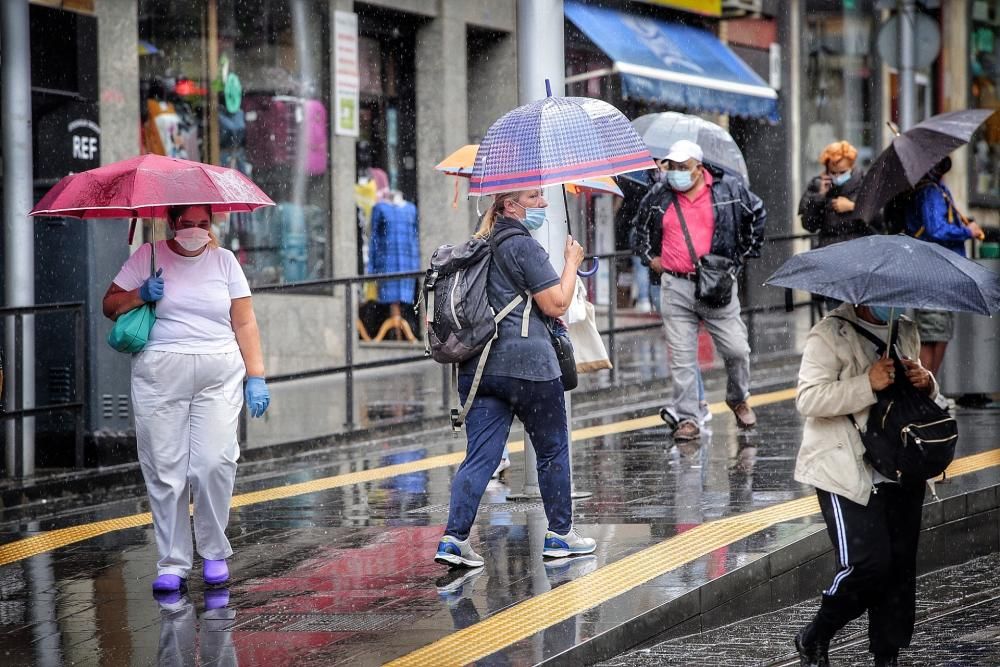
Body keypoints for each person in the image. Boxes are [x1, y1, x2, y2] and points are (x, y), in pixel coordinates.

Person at [102, 204, 270, 594]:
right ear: (172, 222)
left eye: (203, 223)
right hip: (159, 376)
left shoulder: (225, 262)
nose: (195, 230)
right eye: (187, 223)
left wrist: (256, 376)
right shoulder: (149, 256)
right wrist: (140, 293)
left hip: (218, 374)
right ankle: (173, 562)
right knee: (165, 470)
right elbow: (109, 305)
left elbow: (244, 321)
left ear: (212, 225)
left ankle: (213, 551)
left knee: (215, 462)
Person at [434, 189, 596, 568]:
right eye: (534, 196)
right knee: (553, 448)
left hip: (479, 368)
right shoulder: (523, 245)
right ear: (511, 206)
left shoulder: (478, 246)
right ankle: (560, 535)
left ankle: (454, 539)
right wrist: (572, 261)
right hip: (530, 367)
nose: (542, 202)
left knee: (481, 457)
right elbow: (556, 303)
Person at [793, 302, 937, 667]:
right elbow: (808, 399)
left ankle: (886, 657)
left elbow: (908, 401)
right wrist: (866, 383)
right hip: (844, 467)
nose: (891, 303)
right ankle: (815, 635)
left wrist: (926, 382)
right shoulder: (829, 333)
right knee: (867, 566)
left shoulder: (905, 329)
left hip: (899, 467)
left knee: (899, 570)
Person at [631, 139, 766, 442]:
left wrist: (741, 255)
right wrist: (650, 257)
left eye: (682, 167)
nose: (675, 173)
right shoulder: (659, 194)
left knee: (736, 350)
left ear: (698, 168)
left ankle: (738, 396)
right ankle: (688, 417)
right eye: (672, 167)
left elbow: (757, 213)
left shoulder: (727, 190)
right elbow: (639, 228)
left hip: (717, 283)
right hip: (675, 285)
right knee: (681, 358)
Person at [903, 156, 985, 376]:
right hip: (932, 271)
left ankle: (930, 389)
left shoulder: (937, 189)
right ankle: (924, 393)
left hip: (941, 271)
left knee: (940, 331)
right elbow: (936, 229)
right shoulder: (930, 191)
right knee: (932, 332)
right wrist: (967, 232)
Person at [799, 140, 878, 248]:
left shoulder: (865, 183)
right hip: (828, 249)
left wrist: (853, 207)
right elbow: (809, 225)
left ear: (852, 167)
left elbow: (879, 220)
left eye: (842, 172)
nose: (837, 176)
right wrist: (820, 196)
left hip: (859, 248)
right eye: (833, 172)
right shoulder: (818, 184)